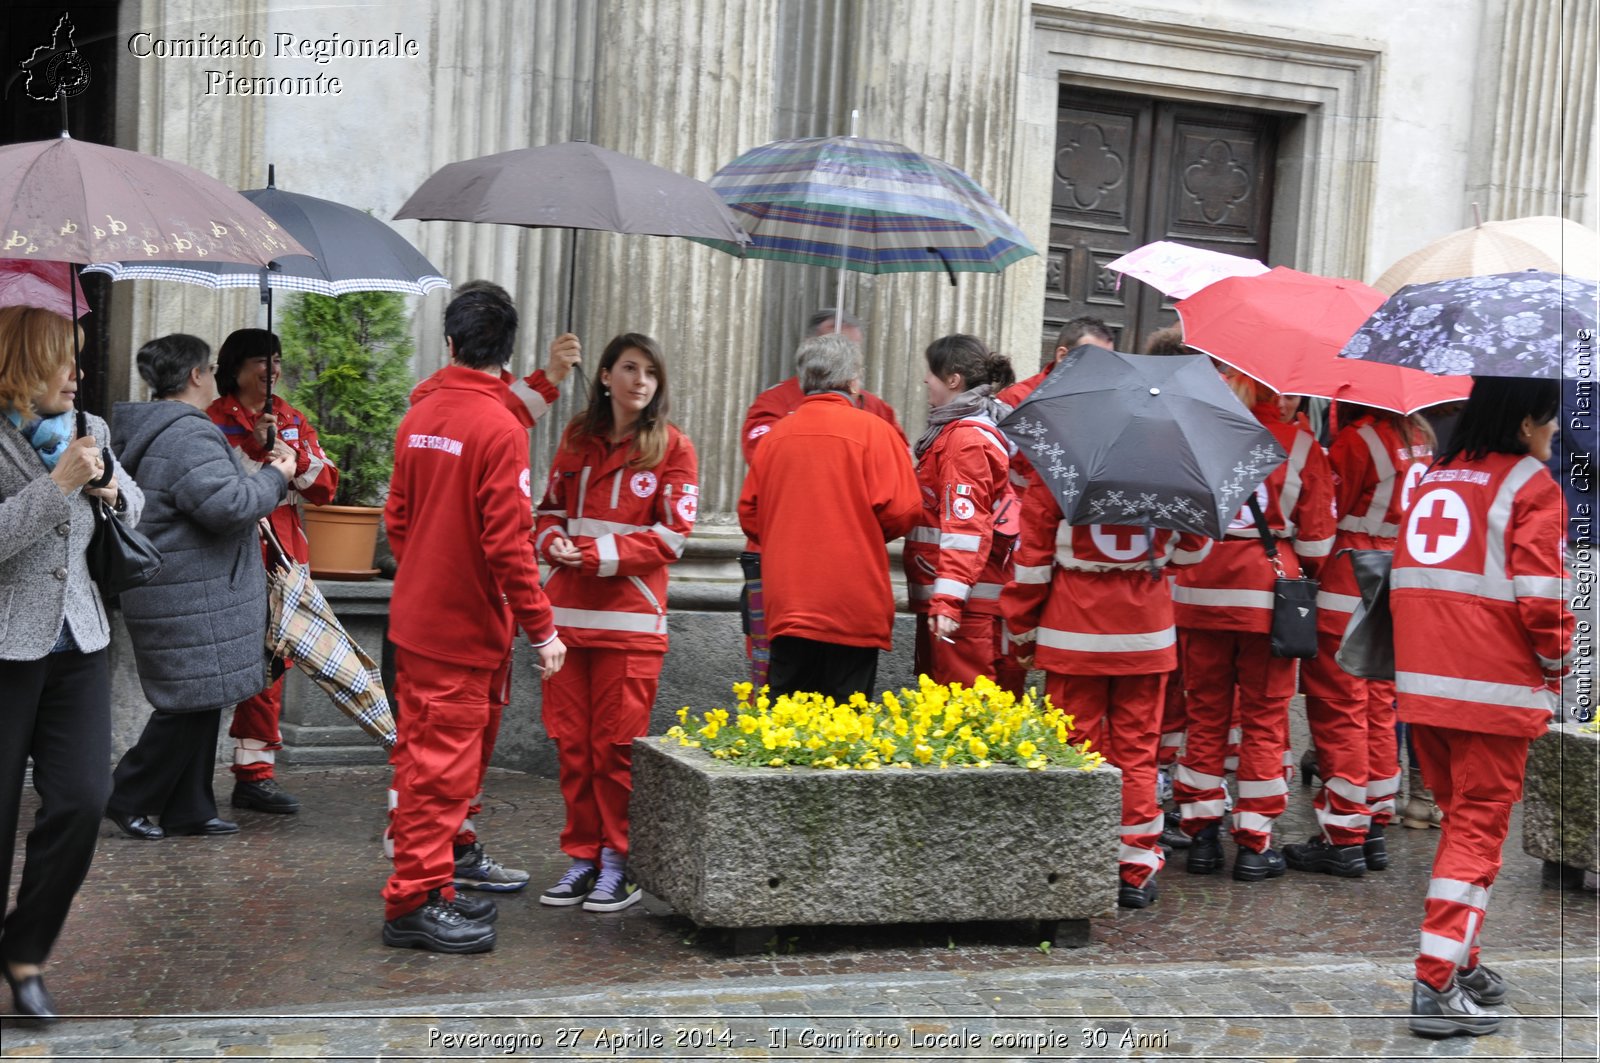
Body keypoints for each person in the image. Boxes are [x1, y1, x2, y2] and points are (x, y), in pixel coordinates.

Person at [381, 286, 566, 953]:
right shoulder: (499, 427)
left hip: (420, 617)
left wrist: (430, 566)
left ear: (451, 343)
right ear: (506, 352)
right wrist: (542, 626)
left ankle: (431, 887)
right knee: (441, 768)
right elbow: (508, 543)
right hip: (460, 627)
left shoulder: (419, 415)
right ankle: (413, 899)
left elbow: (397, 518)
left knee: (425, 762)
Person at [1392, 377, 1571, 1038]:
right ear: (1527, 422)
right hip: (1492, 688)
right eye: (1550, 424)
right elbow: (1545, 598)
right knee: (1476, 832)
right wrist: (1559, 665)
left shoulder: (1437, 476)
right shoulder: (1530, 485)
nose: (1555, 437)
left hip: (1424, 684)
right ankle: (1435, 982)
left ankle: (1462, 958)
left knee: (1456, 826)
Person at [0, 307, 143, 1023]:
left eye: (78, 358)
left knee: (85, 799)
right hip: (4, 650)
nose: (74, 373)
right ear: (22, 360)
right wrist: (56, 482)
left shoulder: (93, 427)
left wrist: (111, 488)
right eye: (61, 358)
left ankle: (24, 950)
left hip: (79, 641)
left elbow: (135, 507)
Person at [106, 334, 296, 842]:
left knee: (200, 699)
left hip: (182, 586)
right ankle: (127, 796)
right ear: (194, 375)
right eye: (209, 368)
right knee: (185, 705)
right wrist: (278, 477)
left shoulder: (162, 428)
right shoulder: (187, 433)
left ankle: (190, 806)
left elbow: (207, 492)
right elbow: (227, 505)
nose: (213, 375)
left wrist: (253, 453)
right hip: (191, 590)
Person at [533, 333, 697, 912]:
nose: (641, 381)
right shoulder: (577, 436)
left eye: (650, 372)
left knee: (616, 751)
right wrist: (553, 542)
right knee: (573, 748)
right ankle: (583, 857)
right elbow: (548, 510)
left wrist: (601, 557)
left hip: (630, 624)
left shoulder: (674, 447)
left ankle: (619, 862)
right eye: (629, 368)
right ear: (605, 375)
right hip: (569, 623)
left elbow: (674, 534)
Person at [1005, 461, 1210, 909]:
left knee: (1077, 749)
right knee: (1138, 751)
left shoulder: (1058, 468)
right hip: (1146, 631)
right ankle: (1135, 870)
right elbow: (1193, 551)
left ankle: (1080, 863)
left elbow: (1032, 563)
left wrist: (1022, 633)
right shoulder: (1169, 469)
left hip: (1074, 629)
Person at [1171, 368, 1335, 882]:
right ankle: (1253, 842)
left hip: (1198, 590)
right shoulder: (1300, 443)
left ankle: (1200, 836)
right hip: (1268, 594)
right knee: (1265, 718)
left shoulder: (1200, 431)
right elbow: (1316, 541)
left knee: (1205, 714)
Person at [1287, 403, 1434, 878]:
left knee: (1340, 706)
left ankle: (1344, 836)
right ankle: (1372, 822)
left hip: (1349, 578)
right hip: (1394, 577)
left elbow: (1329, 515)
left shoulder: (1359, 440)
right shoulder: (1419, 436)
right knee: (1378, 705)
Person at [739, 332, 920, 701]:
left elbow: (750, 516)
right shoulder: (876, 432)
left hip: (788, 602)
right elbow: (905, 510)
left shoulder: (775, 437)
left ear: (805, 380)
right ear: (854, 382)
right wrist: (862, 529)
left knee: (785, 728)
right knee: (843, 729)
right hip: (853, 603)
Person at [206, 329, 338, 816]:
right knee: (216, 664)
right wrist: (254, 454)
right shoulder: (212, 420)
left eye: (278, 358)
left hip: (282, 559)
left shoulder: (291, 418)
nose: (273, 368)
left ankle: (254, 775)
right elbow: (213, 487)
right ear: (235, 366)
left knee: (271, 666)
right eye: (262, 359)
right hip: (227, 558)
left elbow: (325, 486)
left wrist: (290, 456)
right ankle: (187, 768)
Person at [904, 334, 1017, 684]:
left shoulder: (964, 441)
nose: (926, 380)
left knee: (964, 719)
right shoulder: (958, 432)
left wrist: (947, 602)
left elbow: (964, 529)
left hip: (965, 609)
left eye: (932, 374)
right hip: (960, 602)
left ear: (953, 380)